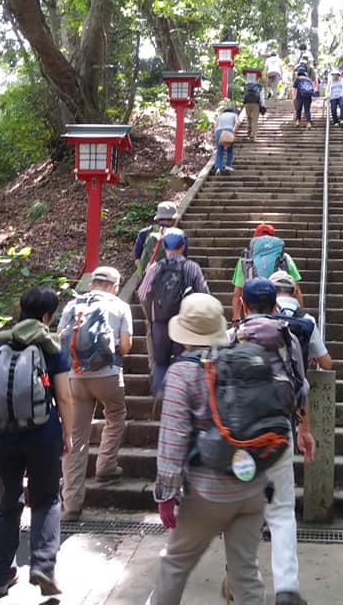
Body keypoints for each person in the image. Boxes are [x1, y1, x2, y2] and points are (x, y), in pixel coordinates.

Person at [148, 293, 271, 605]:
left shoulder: (183, 372)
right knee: (245, 573)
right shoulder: (244, 360)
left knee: (175, 564)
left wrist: (166, 494)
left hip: (209, 491)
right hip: (253, 485)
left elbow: (173, 438)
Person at [0, 286, 74, 597]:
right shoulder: (51, 348)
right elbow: (64, 396)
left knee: (7, 500)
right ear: (47, 316)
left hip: (3, 434)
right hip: (43, 434)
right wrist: (67, 433)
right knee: (47, 498)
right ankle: (43, 565)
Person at [229, 278, 315, 605]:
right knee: (280, 513)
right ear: (276, 305)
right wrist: (304, 430)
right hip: (278, 434)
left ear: (244, 305)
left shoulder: (231, 336)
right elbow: (300, 386)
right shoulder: (287, 336)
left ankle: (241, 583)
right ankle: (287, 589)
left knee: (240, 511)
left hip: (240, 441)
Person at [59, 266, 133, 519]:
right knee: (115, 415)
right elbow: (125, 347)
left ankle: (71, 503)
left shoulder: (72, 305)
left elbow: (61, 339)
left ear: (92, 284)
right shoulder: (120, 306)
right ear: (115, 286)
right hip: (108, 375)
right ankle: (106, 466)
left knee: (75, 437)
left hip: (75, 377)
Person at [137, 228, 210, 398]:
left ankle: (160, 396)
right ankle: (180, 397)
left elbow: (142, 293)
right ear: (183, 245)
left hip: (160, 323)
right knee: (182, 360)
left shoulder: (155, 268)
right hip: (184, 323)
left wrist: (152, 315)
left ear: (164, 246)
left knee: (160, 363)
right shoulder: (191, 267)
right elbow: (204, 294)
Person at [230, 223, 303, 323]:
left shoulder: (245, 260)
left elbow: (237, 293)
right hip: (277, 305)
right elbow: (297, 290)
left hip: (253, 307)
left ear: (255, 237)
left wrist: (236, 318)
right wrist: (300, 316)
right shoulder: (285, 257)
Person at [269, 270, 332, 370]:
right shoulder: (307, 320)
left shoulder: (264, 316)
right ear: (295, 292)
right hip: (295, 379)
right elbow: (326, 364)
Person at [134, 201, 187, 275]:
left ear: (158, 219)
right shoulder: (180, 235)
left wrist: (144, 273)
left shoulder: (144, 233)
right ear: (174, 219)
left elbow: (137, 259)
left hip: (147, 276)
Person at [213, 105, 239, 175]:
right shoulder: (234, 115)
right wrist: (233, 132)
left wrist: (216, 134)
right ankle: (228, 166)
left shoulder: (220, 116)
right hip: (228, 130)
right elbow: (237, 123)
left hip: (218, 131)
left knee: (219, 151)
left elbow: (215, 125)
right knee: (229, 150)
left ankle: (218, 167)